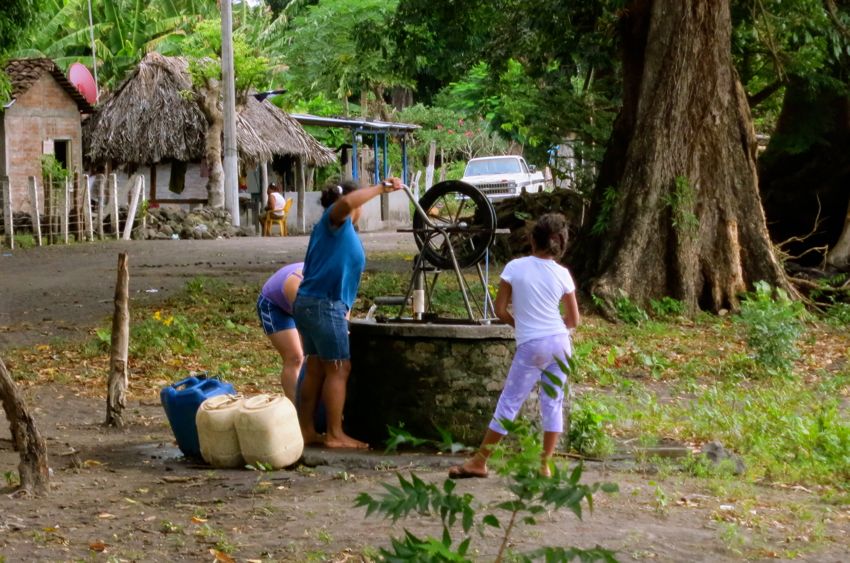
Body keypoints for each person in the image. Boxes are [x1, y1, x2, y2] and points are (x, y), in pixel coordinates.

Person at [448, 213, 579, 478]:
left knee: (509, 402)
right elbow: (574, 319)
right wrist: (553, 328)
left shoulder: (515, 267)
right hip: (561, 342)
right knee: (553, 403)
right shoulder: (563, 274)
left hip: (532, 344)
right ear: (560, 244)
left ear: (531, 239)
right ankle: (546, 465)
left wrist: (521, 326)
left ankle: (480, 461)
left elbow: (499, 310)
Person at [293, 177, 403, 448]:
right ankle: (334, 434)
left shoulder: (339, 229)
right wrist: (382, 188)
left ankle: (306, 430)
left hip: (313, 303)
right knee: (339, 369)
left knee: (317, 368)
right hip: (324, 304)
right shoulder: (336, 220)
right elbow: (346, 203)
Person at [256, 262, 304, 402]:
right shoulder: (297, 283)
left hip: (300, 303)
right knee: (296, 357)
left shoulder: (339, 279)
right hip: (274, 305)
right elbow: (305, 327)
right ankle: (296, 410)